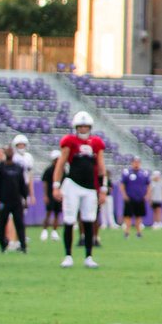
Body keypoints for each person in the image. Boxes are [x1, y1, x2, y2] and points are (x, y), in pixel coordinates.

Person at [53, 111, 105, 268]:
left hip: (90, 187)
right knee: (69, 220)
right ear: (76, 127)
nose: (83, 129)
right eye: (80, 126)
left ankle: (88, 256)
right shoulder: (69, 141)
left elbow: (101, 166)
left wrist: (103, 188)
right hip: (72, 185)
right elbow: (61, 164)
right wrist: (56, 185)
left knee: (89, 220)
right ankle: (68, 255)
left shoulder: (96, 142)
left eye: (85, 126)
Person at [0, 146, 29, 253]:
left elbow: (22, 184)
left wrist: (25, 198)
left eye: (10, 151)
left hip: (16, 201)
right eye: (7, 151)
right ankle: (3, 245)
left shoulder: (18, 168)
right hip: (4, 201)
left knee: (19, 223)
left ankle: (23, 245)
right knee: (2, 224)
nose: (9, 153)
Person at [9, 133, 35, 251]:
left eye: (23, 144)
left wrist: (32, 193)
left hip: (23, 187)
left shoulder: (28, 157)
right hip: (14, 187)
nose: (21, 146)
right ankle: (12, 240)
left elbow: (30, 176)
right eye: (19, 144)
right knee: (13, 216)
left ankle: (19, 240)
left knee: (21, 216)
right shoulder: (13, 157)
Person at [120, 156, 151, 239]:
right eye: (135, 162)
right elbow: (122, 184)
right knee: (128, 216)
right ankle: (127, 232)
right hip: (130, 198)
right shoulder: (127, 173)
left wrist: (147, 195)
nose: (136, 164)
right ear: (132, 163)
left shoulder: (144, 173)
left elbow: (148, 185)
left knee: (138, 216)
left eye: (138, 162)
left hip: (140, 198)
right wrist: (124, 195)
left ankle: (139, 232)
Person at [41, 149, 62, 241]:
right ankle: (45, 230)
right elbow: (45, 183)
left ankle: (54, 231)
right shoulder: (49, 170)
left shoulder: (62, 170)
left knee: (57, 214)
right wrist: (45, 195)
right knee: (48, 213)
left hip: (58, 195)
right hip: (50, 194)